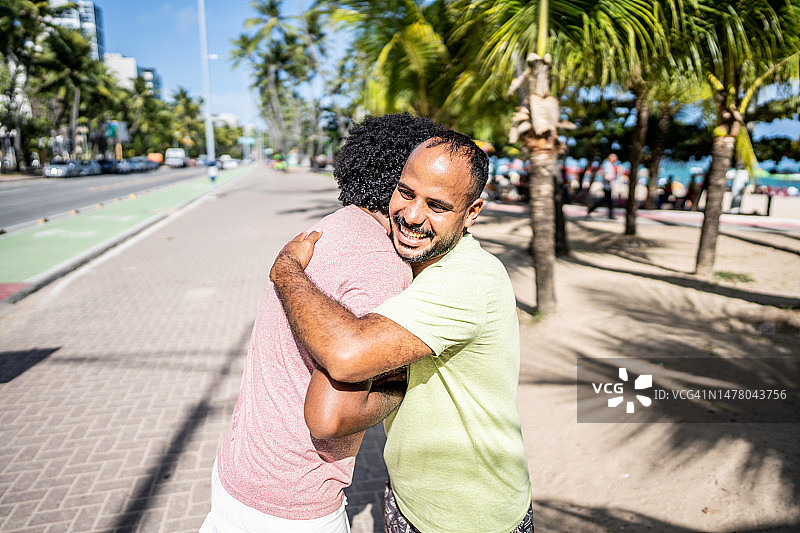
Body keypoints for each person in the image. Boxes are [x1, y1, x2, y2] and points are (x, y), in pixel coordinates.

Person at [270, 131, 533, 533]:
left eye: (437, 205)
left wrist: (287, 270)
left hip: (470, 517)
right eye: (406, 193)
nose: (411, 215)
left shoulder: (465, 281)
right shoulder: (415, 267)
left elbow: (345, 354)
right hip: (408, 499)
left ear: (472, 212)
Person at [200, 113, 443, 533]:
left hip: (238, 472)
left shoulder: (326, 230)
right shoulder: (381, 265)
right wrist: (399, 385)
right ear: (406, 185)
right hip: (293, 501)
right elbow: (334, 413)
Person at [586, 153, 618, 219]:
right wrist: (611, 178)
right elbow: (606, 175)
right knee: (607, 201)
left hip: (608, 186)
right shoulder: (608, 165)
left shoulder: (610, 165)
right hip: (607, 186)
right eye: (614, 157)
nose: (616, 159)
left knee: (607, 201)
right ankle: (591, 209)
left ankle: (591, 209)